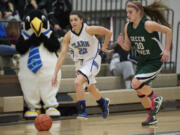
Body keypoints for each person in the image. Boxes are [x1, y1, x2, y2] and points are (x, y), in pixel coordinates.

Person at [117, 1, 172, 126]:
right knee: (139, 91)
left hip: (155, 61)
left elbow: (168, 30)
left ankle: (156, 98)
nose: (128, 15)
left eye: (130, 12)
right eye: (127, 12)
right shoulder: (128, 27)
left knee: (135, 82)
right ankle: (151, 117)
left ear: (139, 12)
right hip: (142, 61)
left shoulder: (148, 24)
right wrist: (121, 43)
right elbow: (127, 47)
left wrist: (167, 50)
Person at [52, 11, 112, 119]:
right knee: (91, 89)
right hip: (80, 64)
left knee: (77, 82)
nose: (73, 22)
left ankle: (82, 111)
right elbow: (62, 55)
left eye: (75, 19)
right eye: (71, 20)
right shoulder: (68, 36)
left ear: (81, 20)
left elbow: (108, 32)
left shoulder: (89, 30)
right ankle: (103, 102)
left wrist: (104, 46)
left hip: (93, 60)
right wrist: (55, 73)